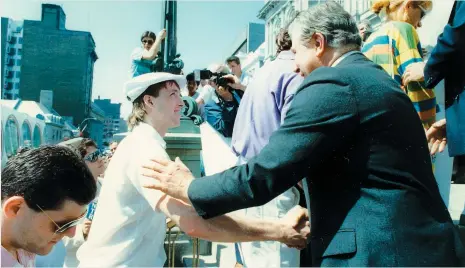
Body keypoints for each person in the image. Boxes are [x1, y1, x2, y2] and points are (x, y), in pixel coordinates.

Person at [141, 2, 465, 266]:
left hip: (379, 254)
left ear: (319, 44)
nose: (294, 66)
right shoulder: (378, 80)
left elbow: (264, 173)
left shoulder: (332, 83)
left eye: (296, 52)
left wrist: (190, 187)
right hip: (416, 247)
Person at [76, 72, 310, 267]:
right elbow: (193, 222)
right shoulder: (144, 150)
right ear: (148, 101)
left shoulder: (142, 143)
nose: (181, 102)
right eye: (172, 95)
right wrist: (278, 230)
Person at [231, 28, 304, 268]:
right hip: (274, 186)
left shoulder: (262, 72)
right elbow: (294, 139)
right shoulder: (295, 74)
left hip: (249, 178)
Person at [1, 146, 96, 267]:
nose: (72, 233)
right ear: (16, 208)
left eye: (78, 220)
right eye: (63, 225)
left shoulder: (23, 241)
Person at [362, 0, 436, 130]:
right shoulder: (404, 30)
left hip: (378, 127)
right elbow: (417, 84)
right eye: (421, 14)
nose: (419, 24)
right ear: (408, 6)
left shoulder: (369, 41)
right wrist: (429, 126)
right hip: (405, 125)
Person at [204, 72, 242, 137]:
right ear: (212, 83)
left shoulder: (240, 95)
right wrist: (228, 100)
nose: (222, 82)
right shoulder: (211, 105)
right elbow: (227, 130)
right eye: (218, 79)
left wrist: (241, 86)